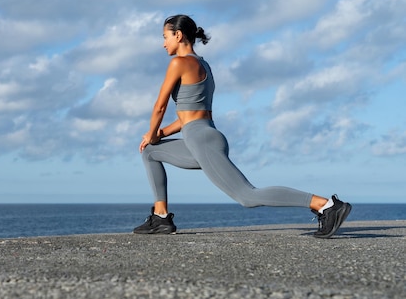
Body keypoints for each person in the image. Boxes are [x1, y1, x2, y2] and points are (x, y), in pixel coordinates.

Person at [134, 14, 351, 238]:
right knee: (150, 152)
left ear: (178, 35)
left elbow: (159, 107)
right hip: (199, 136)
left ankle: (326, 205)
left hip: (201, 140)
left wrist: (151, 133)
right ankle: (160, 218)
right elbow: (189, 116)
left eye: (165, 37)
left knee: (247, 196)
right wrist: (159, 134)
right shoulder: (203, 65)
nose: (163, 43)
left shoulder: (179, 62)